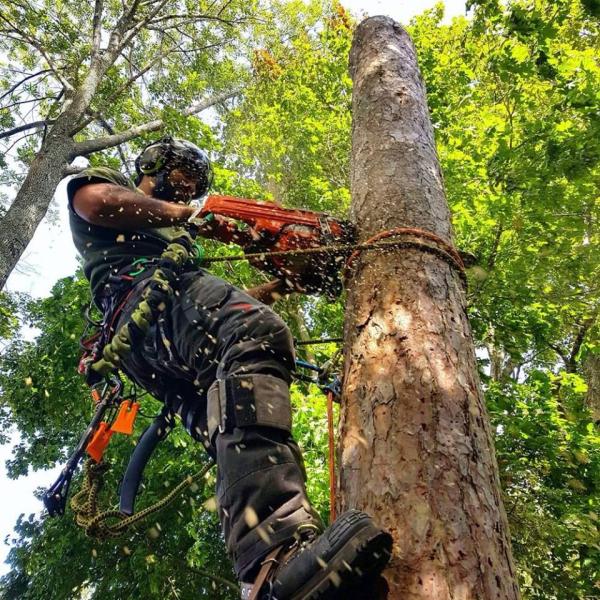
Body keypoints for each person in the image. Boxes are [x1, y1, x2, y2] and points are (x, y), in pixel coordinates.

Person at [66, 136, 392, 599]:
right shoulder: (114, 188)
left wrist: (284, 282)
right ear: (152, 167)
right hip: (142, 305)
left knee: (227, 427)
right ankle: (278, 544)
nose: (184, 190)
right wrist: (193, 213)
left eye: (193, 185)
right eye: (179, 177)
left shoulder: (179, 239)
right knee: (257, 332)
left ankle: (266, 571)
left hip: (162, 346)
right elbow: (94, 205)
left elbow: (224, 316)